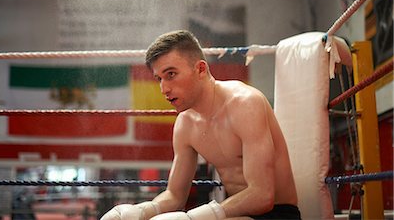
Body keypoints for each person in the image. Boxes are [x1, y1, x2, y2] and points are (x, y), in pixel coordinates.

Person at [101, 30, 300, 220]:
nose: (164, 88)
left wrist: (193, 217)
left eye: (171, 74)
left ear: (201, 69)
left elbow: (262, 196)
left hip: (277, 213)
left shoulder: (245, 104)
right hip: (233, 212)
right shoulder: (185, 124)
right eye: (159, 78)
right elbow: (174, 195)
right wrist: (142, 211)